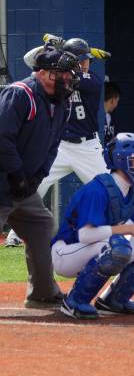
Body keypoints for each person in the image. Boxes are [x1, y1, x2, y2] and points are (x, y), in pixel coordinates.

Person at [51, 133, 134, 319]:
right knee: (117, 247)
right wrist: (129, 229)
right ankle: (74, 302)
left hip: (99, 246)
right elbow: (85, 235)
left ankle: (113, 300)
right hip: (66, 252)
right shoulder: (98, 189)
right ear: (121, 161)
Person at [4, 37, 110, 247]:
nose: (86, 63)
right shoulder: (58, 73)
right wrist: (52, 49)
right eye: (83, 60)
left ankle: (124, 228)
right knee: (36, 185)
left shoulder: (92, 80)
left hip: (87, 147)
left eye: (87, 60)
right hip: (61, 146)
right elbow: (30, 60)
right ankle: (15, 234)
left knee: (109, 188)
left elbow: (76, 76)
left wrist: (64, 53)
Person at [0, 46, 80, 307]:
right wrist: (16, 175)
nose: (68, 79)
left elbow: (52, 145)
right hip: (4, 179)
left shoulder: (60, 102)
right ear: (44, 73)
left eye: (69, 74)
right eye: (63, 74)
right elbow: (3, 138)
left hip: (22, 184)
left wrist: (35, 178)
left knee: (42, 226)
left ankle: (42, 293)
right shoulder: (20, 94)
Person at [103, 79, 121, 147]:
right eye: (117, 101)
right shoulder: (93, 116)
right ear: (113, 100)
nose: (117, 105)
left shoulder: (110, 118)